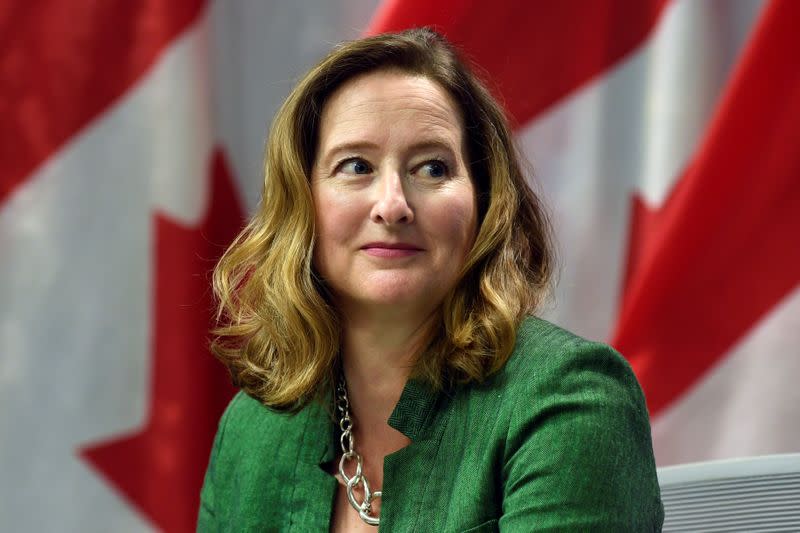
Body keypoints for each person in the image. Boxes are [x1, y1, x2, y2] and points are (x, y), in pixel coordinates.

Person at [198, 28, 663, 532]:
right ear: (302, 204)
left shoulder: (571, 401)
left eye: (432, 168)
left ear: (484, 204)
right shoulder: (251, 431)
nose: (393, 205)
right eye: (356, 166)